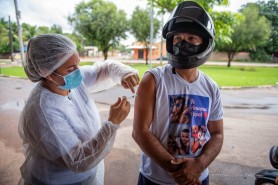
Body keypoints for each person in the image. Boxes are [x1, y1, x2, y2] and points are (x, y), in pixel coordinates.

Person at [18, 33, 139, 185]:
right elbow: (78, 160)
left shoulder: (66, 81)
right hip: (59, 181)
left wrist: (124, 72)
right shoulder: (42, 111)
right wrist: (112, 123)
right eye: (70, 69)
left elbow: (105, 68)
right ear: (46, 72)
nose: (78, 72)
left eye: (78, 64)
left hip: (86, 176)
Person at [132, 1, 223, 185]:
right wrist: (180, 171)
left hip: (198, 177)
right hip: (156, 179)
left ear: (205, 42)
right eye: (177, 38)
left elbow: (217, 134)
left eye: (191, 38)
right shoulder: (153, 79)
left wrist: (198, 166)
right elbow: (140, 132)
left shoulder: (211, 87)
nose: (183, 43)